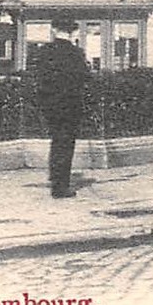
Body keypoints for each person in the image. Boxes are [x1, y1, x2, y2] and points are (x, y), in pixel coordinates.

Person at [33, 17, 91, 198]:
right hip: (70, 105)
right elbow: (85, 79)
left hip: (49, 105)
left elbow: (36, 78)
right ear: (72, 32)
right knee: (65, 144)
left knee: (55, 141)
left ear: (53, 30)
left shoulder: (44, 52)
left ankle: (54, 177)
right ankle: (60, 186)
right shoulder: (76, 54)